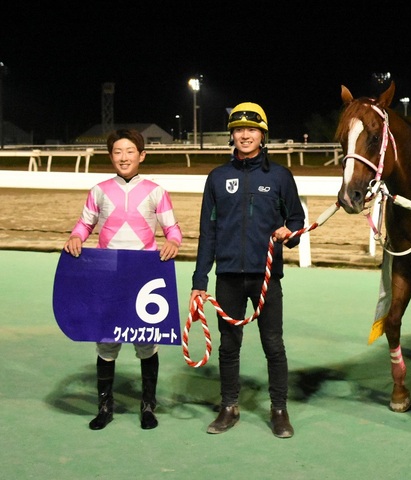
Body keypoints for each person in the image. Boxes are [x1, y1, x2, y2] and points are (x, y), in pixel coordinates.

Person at [189, 102, 305, 438]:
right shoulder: (217, 177)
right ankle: (229, 407)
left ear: (262, 135)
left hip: (266, 278)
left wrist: (289, 233)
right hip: (227, 277)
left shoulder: (280, 176)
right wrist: (199, 280)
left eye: (251, 129)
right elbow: (208, 232)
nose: (244, 135)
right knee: (228, 345)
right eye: (238, 129)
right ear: (232, 135)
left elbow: (296, 220)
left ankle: (279, 410)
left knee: (273, 344)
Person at [64, 128, 182, 430]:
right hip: (108, 277)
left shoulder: (156, 191)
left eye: (130, 151)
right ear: (110, 156)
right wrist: (76, 237)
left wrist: (173, 242)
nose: (124, 157)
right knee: (106, 341)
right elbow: (84, 224)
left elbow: (172, 229)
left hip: (144, 277)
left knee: (147, 343)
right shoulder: (99, 190)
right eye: (118, 152)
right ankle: (105, 407)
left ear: (142, 155)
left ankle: (148, 406)